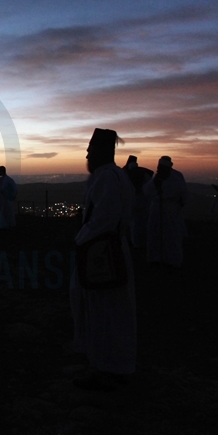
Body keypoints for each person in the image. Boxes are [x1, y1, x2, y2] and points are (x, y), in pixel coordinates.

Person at [70, 128, 136, 390]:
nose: (86, 154)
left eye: (90, 150)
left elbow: (103, 222)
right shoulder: (110, 176)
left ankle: (107, 369)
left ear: (101, 152)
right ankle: (102, 363)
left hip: (102, 254)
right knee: (104, 310)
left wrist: (80, 240)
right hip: (104, 250)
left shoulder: (108, 178)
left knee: (105, 311)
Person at [144, 156, 188, 269]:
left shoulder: (177, 177)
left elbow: (182, 192)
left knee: (171, 235)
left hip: (171, 210)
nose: (158, 170)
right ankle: (155, 258)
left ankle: (172, 261)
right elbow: (147, 191)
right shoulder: (157, 178)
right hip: (157, 207)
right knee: (155, 233)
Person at [121, 156, 152, 249]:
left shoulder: (125, 173)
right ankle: (143, 241)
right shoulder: (143, 173)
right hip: (143, 199)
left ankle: (135, 243)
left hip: (132, 200)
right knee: (142, 221)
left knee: (133, 223)